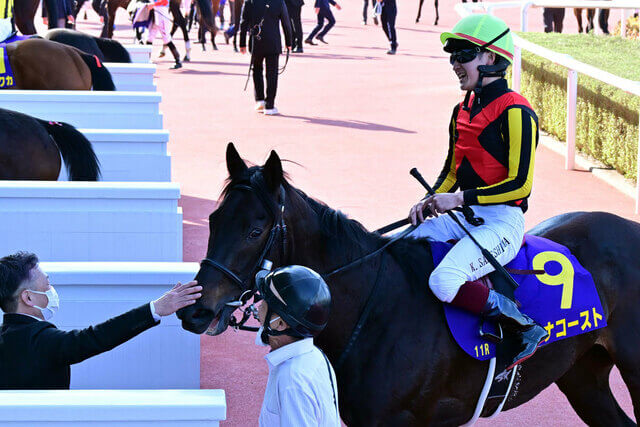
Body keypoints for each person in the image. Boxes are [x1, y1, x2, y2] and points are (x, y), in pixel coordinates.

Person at [408, 14, 548, 370]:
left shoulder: (518, 112)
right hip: (464, 217)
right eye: (452, 56)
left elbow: (521, 185)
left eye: (463, 54)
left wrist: (458, 199)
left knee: (444, 280)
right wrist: (429, 201)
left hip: (503, 222)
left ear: (490, 58)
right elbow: (453, 171)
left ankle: (523, 326)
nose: (456, 63)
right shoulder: (461, 110)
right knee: (403, 245)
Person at [0, 251, 202, 389]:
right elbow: (95, 338)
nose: (51, 291)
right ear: (28, 297)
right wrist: (155, 309)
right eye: (47, 285)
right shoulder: (41, 341)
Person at [254, 265, 340, 426]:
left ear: (279, 323)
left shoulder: (292, 381)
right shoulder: (314, 355)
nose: (259, 306)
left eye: (265, 301)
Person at [239, 0, 292, 116]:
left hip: (256, 41)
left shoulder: (250, 1)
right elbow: (286, 23)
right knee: (272, 73)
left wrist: (242, 43)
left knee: (257, 70)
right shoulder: (279, 2)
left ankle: (260, 101)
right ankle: (270, 105)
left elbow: (243, 23)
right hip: (273, 42)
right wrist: (289, 41)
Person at [146, 0, 183, 69]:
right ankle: (146, 59)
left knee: (166, 39)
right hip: (156, 14)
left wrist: (153, 4)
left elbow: (165, 1)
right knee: (150, 37)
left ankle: (178, 61)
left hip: (162, 14)